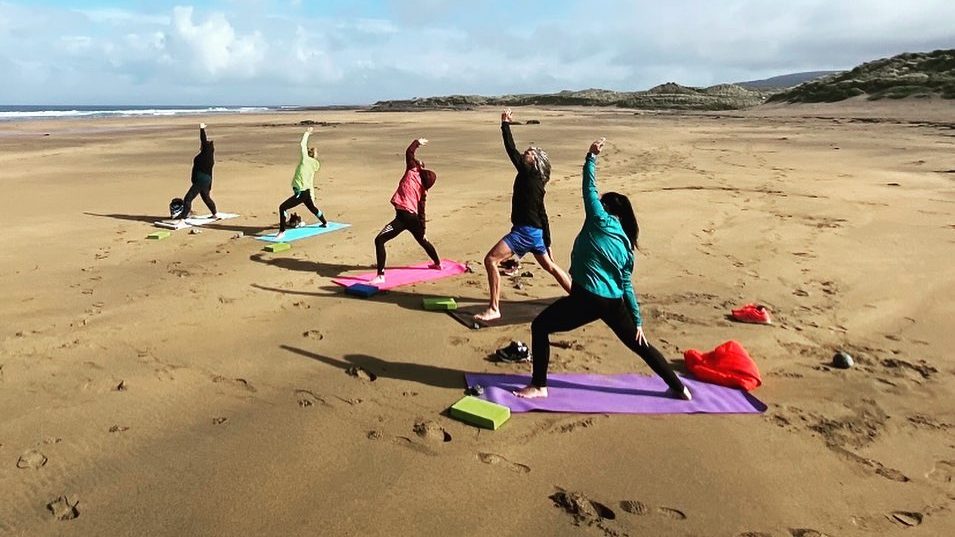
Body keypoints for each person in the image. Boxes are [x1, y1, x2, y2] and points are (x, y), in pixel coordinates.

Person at [514, 138, 691, 401]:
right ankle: (680, 388)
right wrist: (637, 322)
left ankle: (539, 385)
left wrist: (591, 157)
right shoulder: (626, 243)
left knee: (540, 326)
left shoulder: (599, 217)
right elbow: (627, 284)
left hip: (588, 298)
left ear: (606, 207)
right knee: (640, 344)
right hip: (613, 302)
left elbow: (588, 187)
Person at [475, 108, 572, 322]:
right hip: (535, 232)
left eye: (529, 153)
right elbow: (542, 213)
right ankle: (579, 297)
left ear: (535, 161)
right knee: (551, 267)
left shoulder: (528, 173)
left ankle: (494, 308)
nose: (524, 154)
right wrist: (547, 242)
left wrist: (505, 123)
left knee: (490, 260)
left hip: (524, 232)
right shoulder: (537, 181)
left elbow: (510, 148)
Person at [370, 138, 442, 285]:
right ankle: (437, 263)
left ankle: (381, 276)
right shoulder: (423, 190)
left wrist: (417, 142)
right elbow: (422, 211)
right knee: (423, 240)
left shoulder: (412, 171)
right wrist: (422, 229)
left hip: (403, 218)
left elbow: (409, 153)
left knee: (379, 240)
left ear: (421, 169)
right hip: (413, 219)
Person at [275, 127, 327, 240]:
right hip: (307, 192)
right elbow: (311, 180)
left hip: (301, 192)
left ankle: (282, 231)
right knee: (313, 208)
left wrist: (307, 133)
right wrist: (312, 195)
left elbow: (302, 145)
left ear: (308, 154)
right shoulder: (314, 165)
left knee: (282, 208)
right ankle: (325, 222)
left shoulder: (305, 160)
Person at [176, 123, 218, 220]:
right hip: (205, 180)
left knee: (188, 198)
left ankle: (183, 217)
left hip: (202, 180)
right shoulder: (209, 157)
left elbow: (203, 140)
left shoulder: (205, 155)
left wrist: (202, 129)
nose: (201, 146)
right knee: (206, 198)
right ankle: (215, 214)